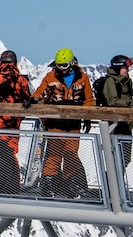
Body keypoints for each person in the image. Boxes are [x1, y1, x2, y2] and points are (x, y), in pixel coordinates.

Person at [35, 48, 96, 197]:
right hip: (56, 121)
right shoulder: (51, 76)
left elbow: (89, 99)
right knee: (54, 153)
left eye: (64, 65)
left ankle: (72, 184)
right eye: (58, 65)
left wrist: (87, 116)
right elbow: (41, 90)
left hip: (74, 122)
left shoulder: (82, 78)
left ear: (71, 63)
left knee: (71, 153)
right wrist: (33, 99)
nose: (60, 68)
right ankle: (49, 185)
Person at [0, 51, 32, 192]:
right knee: (8, 151)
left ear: (1, 63)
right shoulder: (22, 80)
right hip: (14, 123)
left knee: (3, 152)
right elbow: (27, 97)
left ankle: (8, 185)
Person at [96, 54, 133, 171]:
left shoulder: (127, 82)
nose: (127, 71)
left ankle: (117, 187)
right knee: (115, 158)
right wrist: (130, 104)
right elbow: (112, 101)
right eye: (125, 68)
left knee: (124, 158)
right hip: (114, 125)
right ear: (117, 68)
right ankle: (112, 186)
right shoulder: (111, 81)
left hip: (125, 124)